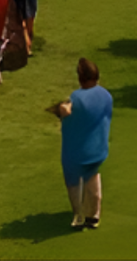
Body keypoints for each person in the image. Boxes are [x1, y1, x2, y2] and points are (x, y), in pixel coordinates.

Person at [51, 57, 113, 231]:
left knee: (73, 182)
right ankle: (93, 216)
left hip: (76, 152)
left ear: (80, 77)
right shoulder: (106, 95)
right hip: (98, 148)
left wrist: (60, 110)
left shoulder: (77, 97)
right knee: (92, 177)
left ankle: (78, 215)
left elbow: (67, 111)